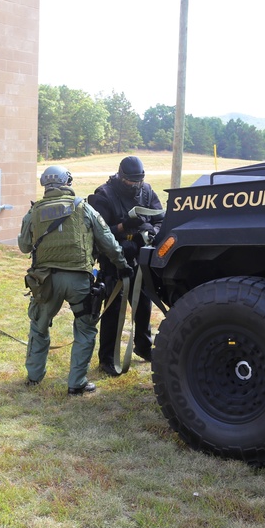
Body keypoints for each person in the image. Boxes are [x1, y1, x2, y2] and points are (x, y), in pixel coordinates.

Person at [18, 165, 130, 396]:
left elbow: (23, 246)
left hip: (45, 281)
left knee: (39, 328)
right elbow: (108, 241)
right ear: (67, 182)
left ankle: (34, 377)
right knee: (85, 329)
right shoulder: (83, 208)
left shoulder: (34, 211)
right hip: (79, 281)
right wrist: (122, 265)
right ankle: (76, 383)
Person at [87, 156, 164, 373]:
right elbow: (98, 233)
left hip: (140, 256)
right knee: (114, 308)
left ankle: (143, 346)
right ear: (121, 176)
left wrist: (152, 232)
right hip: (114, 258)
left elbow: (160, 218)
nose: (135, 185)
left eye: (138, 181)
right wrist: (123, 226)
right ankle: (107, 359)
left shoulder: (147, 191)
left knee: (143, 305)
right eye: (131, 181)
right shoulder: (104, 194)